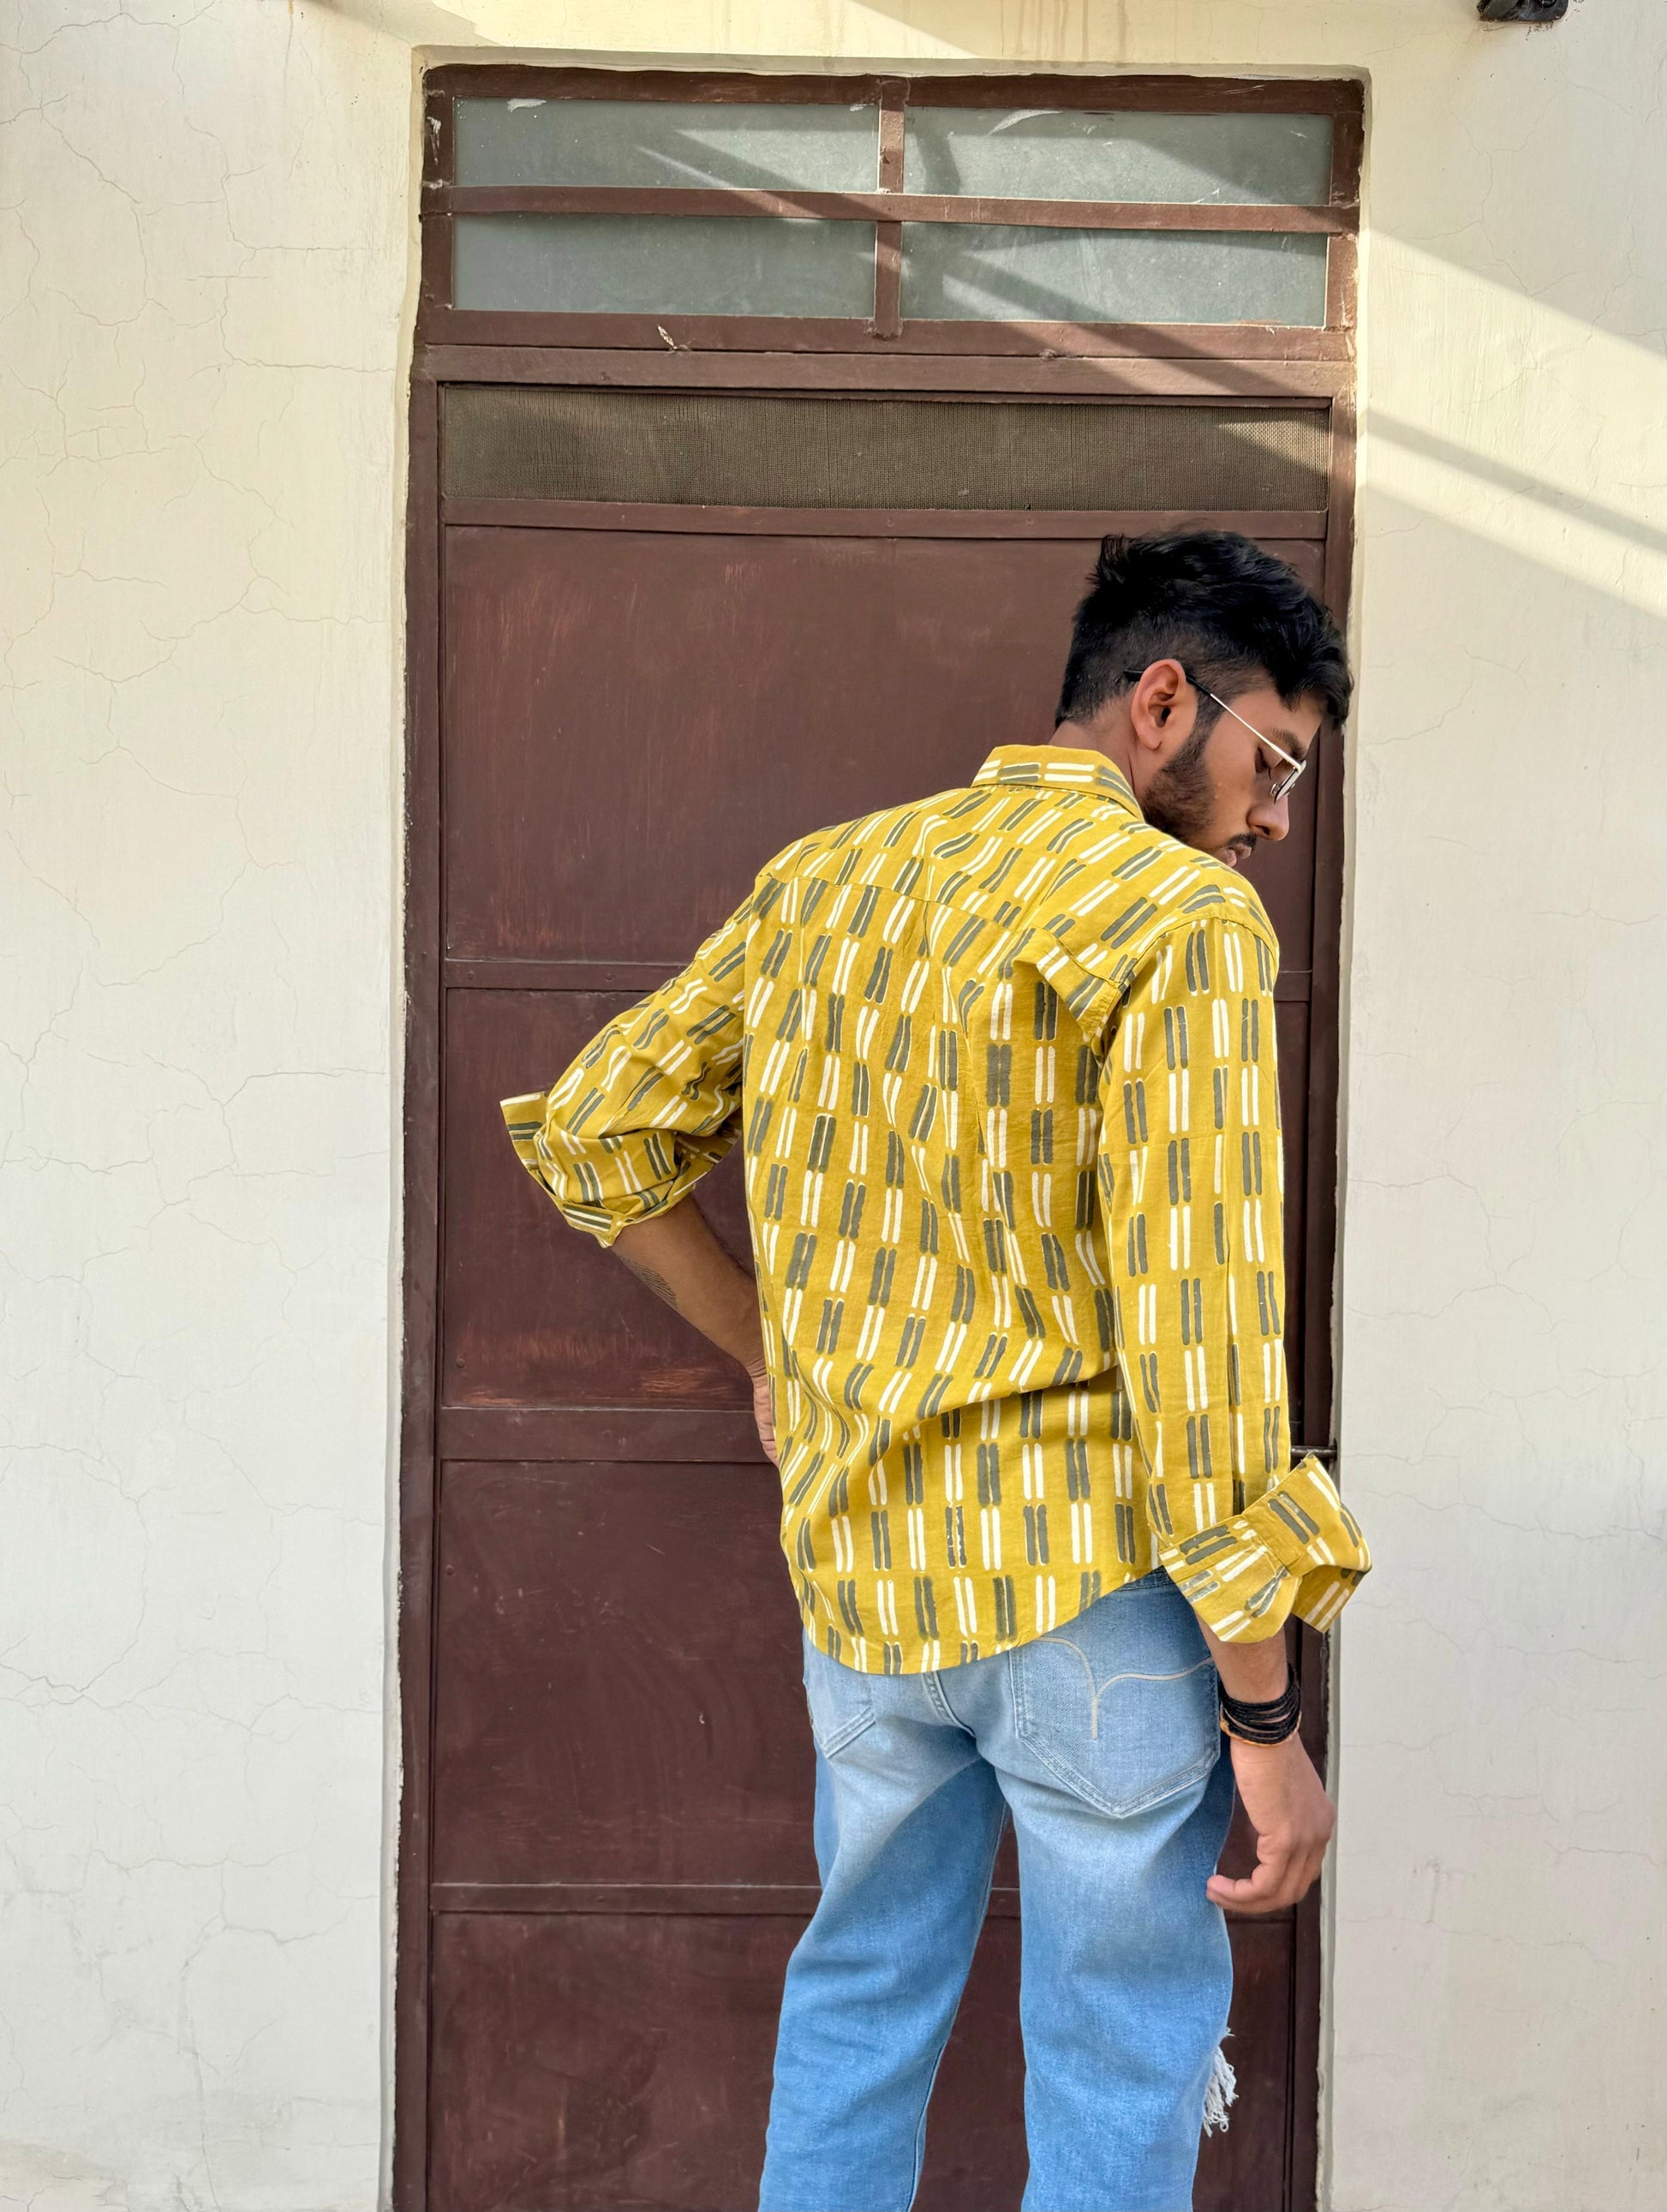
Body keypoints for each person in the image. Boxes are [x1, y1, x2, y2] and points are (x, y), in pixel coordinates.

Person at [501, 531, 1373, 2212]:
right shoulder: (1176, 915)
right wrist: (1264, 1718)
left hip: (867, 1596)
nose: (1273, 818)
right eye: (1271, 763)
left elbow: (598, 1130)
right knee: (1116, 2047)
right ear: (1162, 699)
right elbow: (1202, 1349)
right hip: (1087, 1595)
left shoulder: (825, 882)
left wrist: (776, 1350)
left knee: (857, 2001)